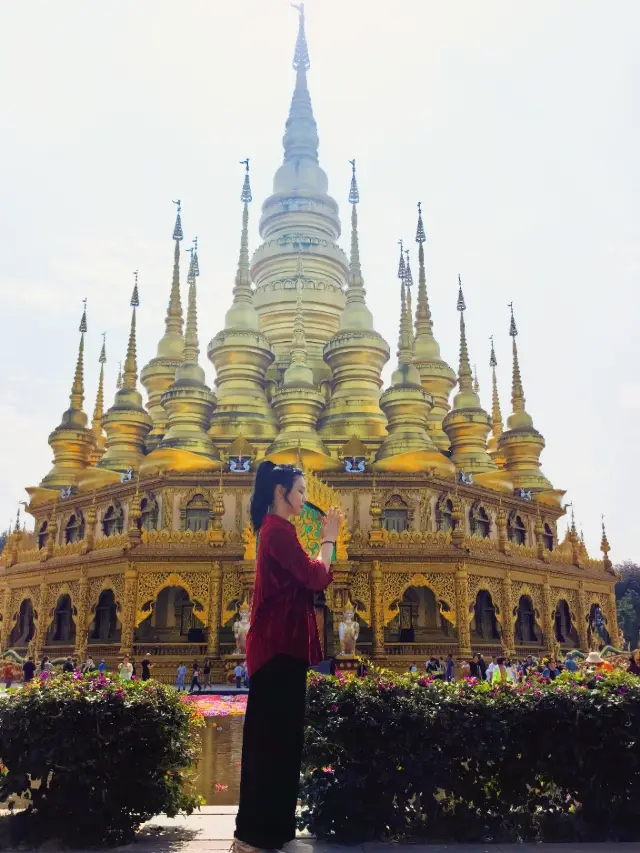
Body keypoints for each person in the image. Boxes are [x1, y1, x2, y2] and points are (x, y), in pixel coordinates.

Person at [234, 461, 342, 853]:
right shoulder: (277, 533)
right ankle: (254, 834)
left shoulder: (279, 531)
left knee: (281, 743)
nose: (304, 499)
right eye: (299, 491)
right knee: (272, 744)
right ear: (280, 492)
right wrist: (328, 540)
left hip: (282, 650)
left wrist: (321, 547)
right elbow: (315, 577)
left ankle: (272, 830)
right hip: (278, 651)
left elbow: (309, 577)